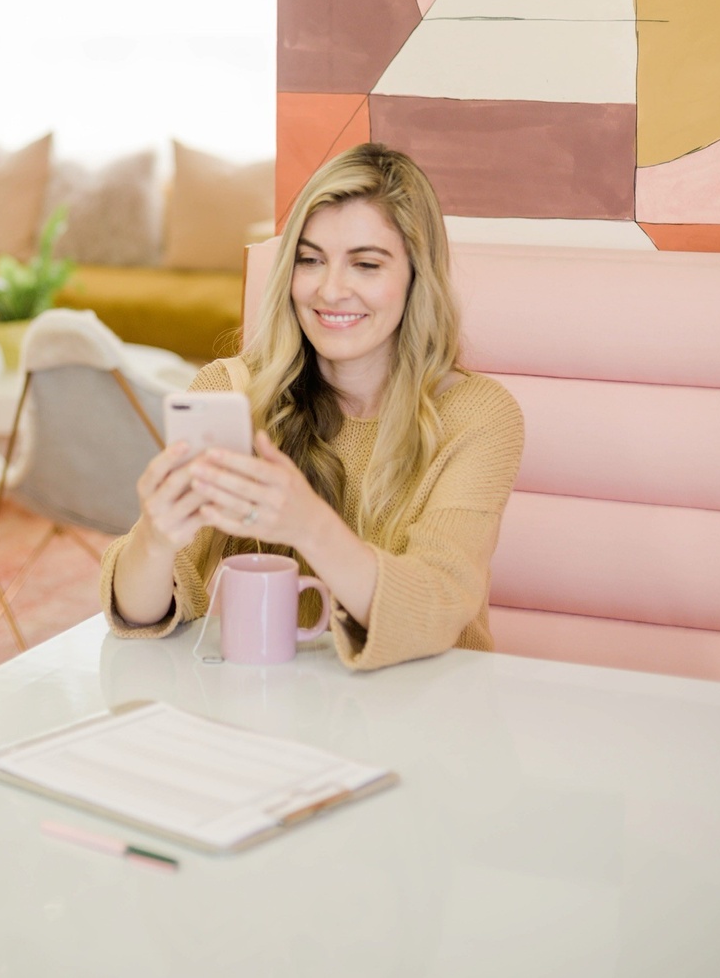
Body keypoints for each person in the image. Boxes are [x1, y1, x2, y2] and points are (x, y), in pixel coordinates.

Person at [100, 143, 524, 670]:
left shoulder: (478, 416)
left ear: (417, 276)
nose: (331, 289)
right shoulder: (233, 393)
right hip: (275, 702)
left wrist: (308, 525)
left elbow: (436, 610)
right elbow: (137, 614)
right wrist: (156, 536)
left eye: (366, 264)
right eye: (310, 260)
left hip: (431, 701)